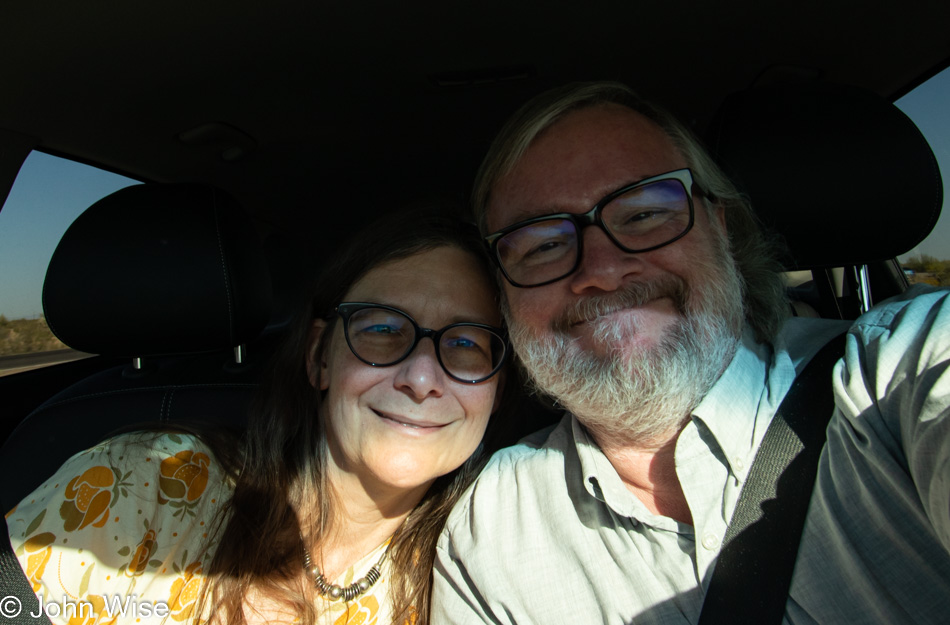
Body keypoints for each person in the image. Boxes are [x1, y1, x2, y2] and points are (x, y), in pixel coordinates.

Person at [431, 81, 950, 623]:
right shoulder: (486, 535)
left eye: (643, 213)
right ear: (505, 296)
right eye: (543, 245)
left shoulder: (897, 369)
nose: (603, 271)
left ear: (719, 228)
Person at [7, 208, 515, 625]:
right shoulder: (142, 483)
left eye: (467, 343)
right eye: (382, 329)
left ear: (496, 389)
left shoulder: (484, 576)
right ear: (319, 356)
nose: (421, 377)